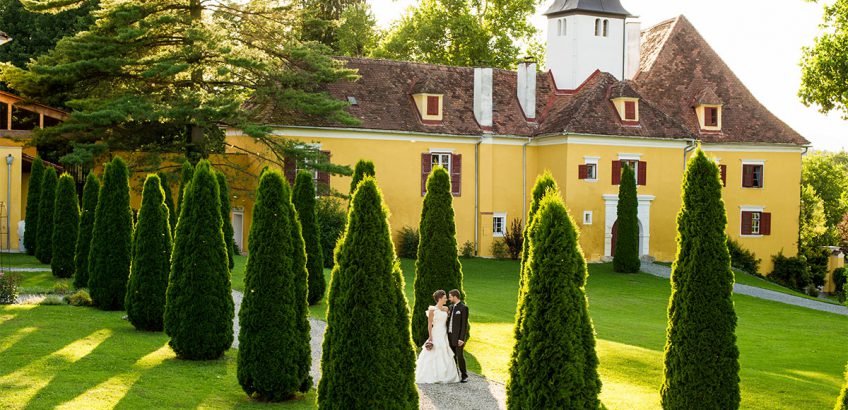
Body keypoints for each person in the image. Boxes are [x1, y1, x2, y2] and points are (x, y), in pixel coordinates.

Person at [415, 290, 461, 384]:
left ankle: (445, 375)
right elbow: (429, 325)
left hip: (444, 333)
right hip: (436, 332)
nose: (446, 299)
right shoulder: (432, 310)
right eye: (444, 298)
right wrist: (430, 337)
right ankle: (431, 375)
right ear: (439, 299)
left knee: (445, 350)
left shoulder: (446, 309)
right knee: (434, 351)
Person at [447, 289, 469, 383]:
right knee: (452, 356)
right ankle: (455, 374)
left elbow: (464, 325)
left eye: (450, 296)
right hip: (449, 335)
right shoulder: (450, 307)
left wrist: (461, 339)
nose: (449, 298)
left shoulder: (463, 308)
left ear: (455, 297)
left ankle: (464, 375)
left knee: (460, 356)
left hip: (458, 337)